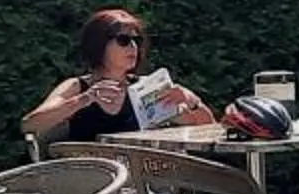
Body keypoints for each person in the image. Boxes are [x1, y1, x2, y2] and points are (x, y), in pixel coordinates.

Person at [21, 8, 211, 148]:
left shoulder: (145, 89)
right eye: (124, 40)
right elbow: (30, 124)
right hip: (88, 182)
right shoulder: (78, 87)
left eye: (137, 41)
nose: (133, 48)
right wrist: (85, 99)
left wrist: (191, 101)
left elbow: (206, 128)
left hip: (136, 179)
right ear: (99, 44)